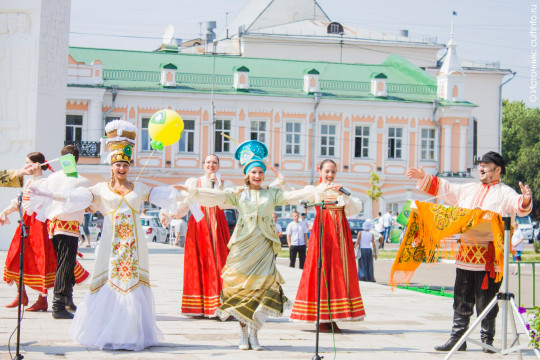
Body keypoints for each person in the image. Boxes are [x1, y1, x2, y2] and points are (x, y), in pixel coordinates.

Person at [30, 120, 180, 350]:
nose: (122, 168)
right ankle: (106, 331)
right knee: (109, 282)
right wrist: (48, 195)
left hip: (134, 247)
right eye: (118, 164)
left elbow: (165, 196)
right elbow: (72, 198)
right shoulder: (100, 190)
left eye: (126, 164)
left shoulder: (138, 188)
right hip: (111, 244)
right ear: (111, 166)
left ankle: (131, 334)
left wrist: (188, 191)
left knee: (132, 284)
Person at [178, 140, 323, 351]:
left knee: (261, 291)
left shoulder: (271, 194)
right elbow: (217, 197)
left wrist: (318, 189)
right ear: (247, 173)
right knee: (242, 290)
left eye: (260, 172)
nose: (257, 175)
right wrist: (193, 192)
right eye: (253, 172)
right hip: (242, 247)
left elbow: (293, 196)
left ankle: (254, 333)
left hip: (264, 247)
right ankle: (243, 333)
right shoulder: (239, 193)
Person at [407, 151, 533, 353]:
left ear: (498, 169)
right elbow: (446, 188)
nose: (481, 168)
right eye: (480, 165)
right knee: (461, 298)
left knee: (487, 300)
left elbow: (518, 205)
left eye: (486, 165)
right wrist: (423, 178)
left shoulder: (505, 192)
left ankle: (487, 341)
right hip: (466, 254)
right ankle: (458, 339)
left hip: (489, 258)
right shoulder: (468, 189)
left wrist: (525, 199)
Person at [290, 159, 365, 333]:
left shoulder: (341, 191)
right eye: (327, 171)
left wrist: (344, 194)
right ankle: (321, 317)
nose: (330, 175)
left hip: (341, 233)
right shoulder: (316, 190)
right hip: (324, 231)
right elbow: (297, 197)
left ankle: (333, 316)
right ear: (320, 171)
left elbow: (353, 209)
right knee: (322, 270)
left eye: (333, 172)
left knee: (339, 271)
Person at [176, 154, 233, 318]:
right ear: (203, 165)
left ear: (218, 166)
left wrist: (218, 186)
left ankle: (220, 305)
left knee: (220, 262)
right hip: (199, 224)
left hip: (218, 223)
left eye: (214, 162)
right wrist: (171, 214)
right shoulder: (194, 182)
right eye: (208, 162)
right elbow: (184, 203)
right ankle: (197, 306)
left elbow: (228, 202)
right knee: (200, 261)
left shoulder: (223, 184)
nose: (211, 165)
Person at [1, 152, 55, 311]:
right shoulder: (30, 181)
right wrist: (5, 212)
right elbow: (20, 201)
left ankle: (42, 299)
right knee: (15, 256)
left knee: (41, 260)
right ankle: (21, 294)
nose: (25, 167)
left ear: (38, 164)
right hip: (26, 222)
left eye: (28, 163)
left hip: (39, 224)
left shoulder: (46, 182)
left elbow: (47, 203)